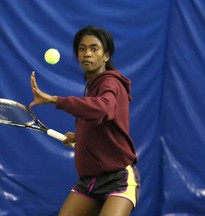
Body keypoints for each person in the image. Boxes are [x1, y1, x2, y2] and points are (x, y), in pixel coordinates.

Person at [29, 25, 140, 216]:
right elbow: (101, 124)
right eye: (82, 49)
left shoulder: (111, 83)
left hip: (119, 179)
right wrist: (79, 136)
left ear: (106, 56)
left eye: (94, 49)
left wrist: (55, 100)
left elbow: (103, 108)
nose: (87, 53)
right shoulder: (92, 87)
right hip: (89, 181)